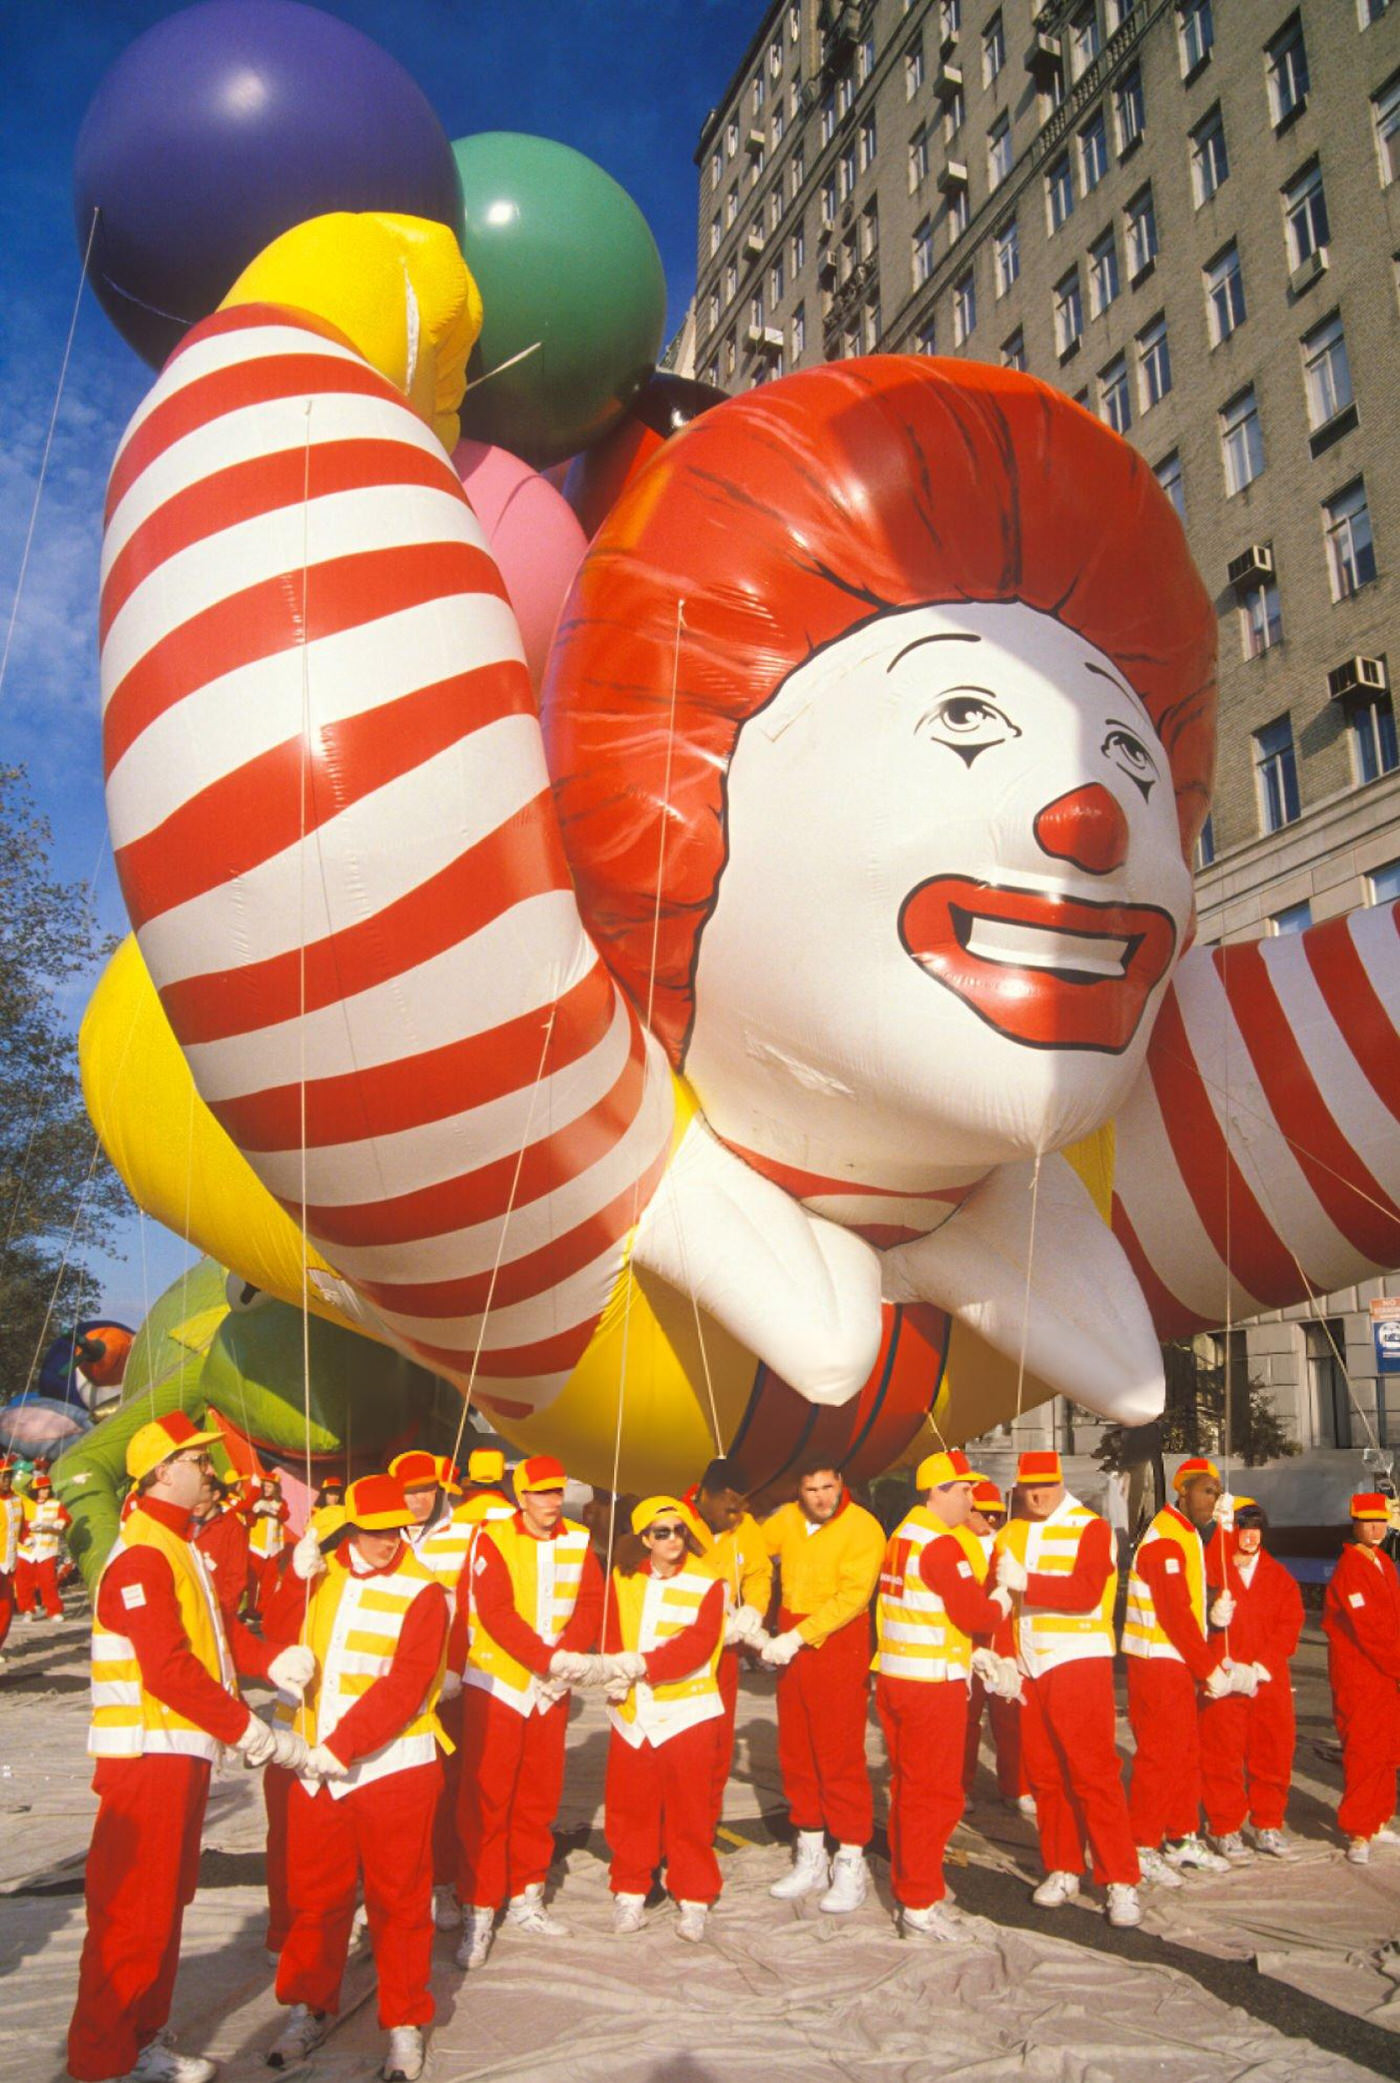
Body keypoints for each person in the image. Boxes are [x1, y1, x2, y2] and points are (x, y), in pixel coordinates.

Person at [66, 1413, 310, 2083]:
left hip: (179, 1753)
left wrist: (272, 1658)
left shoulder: (182, 1548)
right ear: (161, 1472)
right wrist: (246, 1727)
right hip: (148, 1757)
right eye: (197, 1460)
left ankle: (138, 2039)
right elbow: (168, 1669)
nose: (210, 1469)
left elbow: (221, 1636)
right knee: (131, 1914)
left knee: (161, 1906)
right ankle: (103, 2059)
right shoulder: (144, 1555)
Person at [263, 1473, 448, 2083]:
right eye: (374, 1531)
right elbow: (277, 1638)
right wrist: (292, 1578)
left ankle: (404, 2021)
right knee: (315, 1897)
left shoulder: (425, 1591)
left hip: (394, 1766)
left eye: (396, 1529)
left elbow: (406, 1684)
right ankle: (309, 2006)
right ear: (350, 1530)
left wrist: (340, 1747)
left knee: (400, 1901)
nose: (388, 1541)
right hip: (319, 1769)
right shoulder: (322, 1572)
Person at [454, 1455, 604, 1970]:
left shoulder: (578, 1540)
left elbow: (590, 1604)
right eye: (540, 1492)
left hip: (551, 1688)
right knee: (487, 1799)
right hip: (498, 1684)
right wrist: (546, 1658)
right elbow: (494, 1612)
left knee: (538, 1795)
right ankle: (478, 1907)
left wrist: (564, 1659)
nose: (551, 1501)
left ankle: (526, 1894)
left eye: (556, 1491)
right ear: (520, 1497)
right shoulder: (492, 1538)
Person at [993, 1451, 1142, 1927]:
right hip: (1029, 1665)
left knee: (1093, 1773)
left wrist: (1028, 1582)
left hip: (1077, 1660)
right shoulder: (1012, 1531)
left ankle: (1119, 1878)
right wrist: (1002, 1656)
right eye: (1029, 1487)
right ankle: (1063, 1866)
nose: (1037, 1496)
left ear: (1060, 1484)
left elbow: (1085, 1592)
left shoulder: (1091, 1529)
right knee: (1044, 1774)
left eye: (1045, 1486)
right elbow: (1000, 1602)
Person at [872, 1450, 1013, 1938]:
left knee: (910, 1792)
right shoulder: (941, 1546)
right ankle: (919, 1901)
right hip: (931, 1686)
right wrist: (1005, 1595)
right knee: (935, 1796)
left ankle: (915, 1884)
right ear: (938, 1490)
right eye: (966, 1490)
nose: (973, 1500)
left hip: (898, 1677)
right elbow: (975, 1615)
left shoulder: (902, 1536)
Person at [760, 1458, 885, 1912]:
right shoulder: (788, 1519)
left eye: (827, 1487)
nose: (820, 1497)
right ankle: (810, 1849)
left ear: (841, 1483)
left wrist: (796, 1636)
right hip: (793, 1643)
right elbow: (749, 1548)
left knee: (839, 1752)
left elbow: (853, 1597)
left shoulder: (863, 1527)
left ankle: (850, 1857)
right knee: (796, 1749)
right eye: (811, 1489)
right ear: (799, 1490)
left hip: (837, 1642)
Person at [601, 1496, 728, 1939]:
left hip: (687, 1712)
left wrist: (643, 1665)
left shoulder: (709, 1581)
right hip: (634, 1711)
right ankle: (630, 1892)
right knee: (629, 1807)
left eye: (679, 1530)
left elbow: (698, 1643)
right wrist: (614, 1671)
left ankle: (694, 1897)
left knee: (690, 1811)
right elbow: (610, 1630)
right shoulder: (622, 1577)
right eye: (662, 1532)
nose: (674, 1539)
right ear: (644, 1540)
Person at [1122, 1457, 1250, 1885]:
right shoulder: (1165, 1539)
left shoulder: (1186, 1533)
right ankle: (1142, 1843)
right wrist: (1208, 1667)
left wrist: (1213, 1612)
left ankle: (1180, 1836)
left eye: (1217, 1493)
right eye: (1207, 1491)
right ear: (1183, 1491)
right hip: (1156, 1661)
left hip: (1174, 1661)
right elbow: (1173, 1613)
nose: (1214, 1500)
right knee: (1160, 1756)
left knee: (1184, 1752)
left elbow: (1189, 1601)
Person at [387, 1450, 475, 1931]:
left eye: (425, 1490)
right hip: (391, 1681)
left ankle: (444, 1881)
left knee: (447, 1786)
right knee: (393, 1789)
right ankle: (392, 1885)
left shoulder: (466, 1532)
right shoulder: (381, 1534)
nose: (417, 1501)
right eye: (408, 1492)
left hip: (447, 1683)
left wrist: (456, 1668)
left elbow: (471, 1608)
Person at [1200, 1497, 1304, 1860]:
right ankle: (1225, 1826)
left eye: (1256, 1529)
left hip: (1267, 1681)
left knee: (1272, 1752)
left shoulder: (1280, 1577)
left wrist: (1260, 1669)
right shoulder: (1217, 1571)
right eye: (1243, 1529)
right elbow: (1194, 1600)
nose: (1250, 1536)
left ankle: (1268, 1824)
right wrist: (1212, 1614)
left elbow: (1289, 1627)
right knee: (1222, 1754)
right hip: (1226, 1676)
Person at [684, 1456, 773, 1829]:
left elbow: (758, 1572)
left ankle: (705, 1824)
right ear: (706, 1495)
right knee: (685, 1741)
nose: (735, 1515)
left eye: (741, 1507)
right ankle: (677, 1822)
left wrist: (754, 1608)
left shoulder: (745, 1526)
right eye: (729, 1506)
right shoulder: (676, 1523)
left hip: (727, 1650)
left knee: (719, 1739)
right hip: (683, 1653)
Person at [1322, 1491, 1400, 1865]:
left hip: (1384, 1673)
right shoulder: (1350, 1568)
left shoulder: (1381, 1561)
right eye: (1369, 1522)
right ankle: (1358, 1830)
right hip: (1360, 1674)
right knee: (1364, 1751)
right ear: (1354, 1524)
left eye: (1381, 1521)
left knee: (1387, 1749)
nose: (1376, 1529)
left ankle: (1378, 1817)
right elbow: (1368, 1628)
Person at [961, 1476, 1028, 1813]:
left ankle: (1016, 1788)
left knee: (1010, 1718)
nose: (990, 1520)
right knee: (966, 1721)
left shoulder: (1006, 1545)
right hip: (967, 1644)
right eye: (983, 1512)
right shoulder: (954, 1544)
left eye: (996, 1515)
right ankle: (960, 1787)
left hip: (1002, 1642)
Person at [190, 1470, 249, 1625]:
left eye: (200, 1495)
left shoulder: (232, 1527)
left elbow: (237, 1577)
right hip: (190, 1610)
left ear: (215, 1495)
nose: (194, 1502)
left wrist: (223, 1612)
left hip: (217, 1613)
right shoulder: (186, 1525)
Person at [16, 1471, 72, 1622]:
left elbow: (66, 1518)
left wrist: (62, 1522)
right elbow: (19, 1525)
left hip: (47, 1549)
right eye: (42, 1489)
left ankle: (54, 1610)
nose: (46, 1491)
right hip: (26, 1551)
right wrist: (24, 1538)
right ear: (35, 1491)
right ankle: (28, 1610)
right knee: (24, 1583)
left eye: (47, 1488)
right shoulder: (26, 1505)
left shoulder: (55, 1504)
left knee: (48, 1582)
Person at [244, 1471, 290, 1616]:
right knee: (253, 1581)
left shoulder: (281, 1503)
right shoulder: (256, 1500)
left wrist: (270, 1508)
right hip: (257, 1547)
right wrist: (254, 1510)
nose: (266, 1489)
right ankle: (251, 1610)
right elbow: (249, 1521)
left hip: (274, 1549)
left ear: (276, 1488)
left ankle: (263, 1611)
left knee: (269, 1582)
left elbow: (285, 1515)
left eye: (270, 1486)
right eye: (264, 1485)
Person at [0, 1458, 22, 1661]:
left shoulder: (17, 1500)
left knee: (6, 1610)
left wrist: (28, 1536)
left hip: (9, 1563)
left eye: (9, 1476)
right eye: (3, 1476)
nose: (6, 1480)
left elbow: (22, 1524)